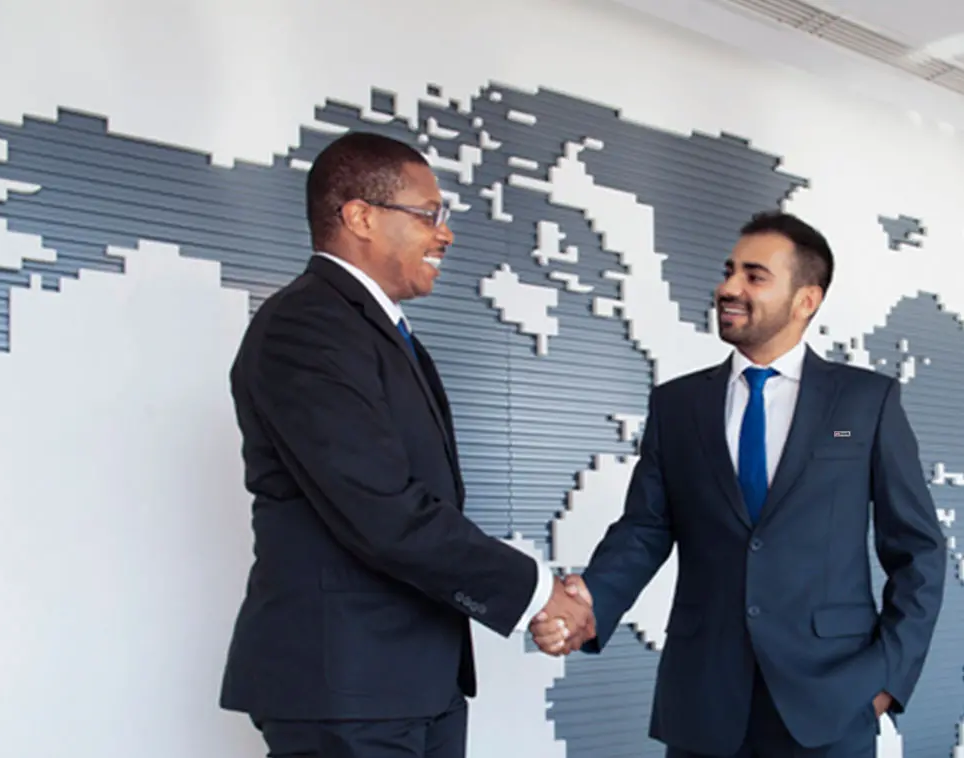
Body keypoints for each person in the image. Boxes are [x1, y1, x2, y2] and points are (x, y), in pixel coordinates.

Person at [218, 131, 591, 758]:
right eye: (428, 215)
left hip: (412, 684)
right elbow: (383, 511)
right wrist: (535, 592)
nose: (444, 234)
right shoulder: (306, 326)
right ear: (360, 216)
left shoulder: (379, 333)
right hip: (348, 693)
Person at [530, 212, 946, 757]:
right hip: (704, 700)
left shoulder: (867, 402)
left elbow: (918, 549)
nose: (728, 287)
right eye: (730, 271)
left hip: (832, 699)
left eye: (755, 276)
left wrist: (888, 678)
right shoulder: (678, 405)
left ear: (806, 300)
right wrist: (591, 603)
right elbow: (646, 528)